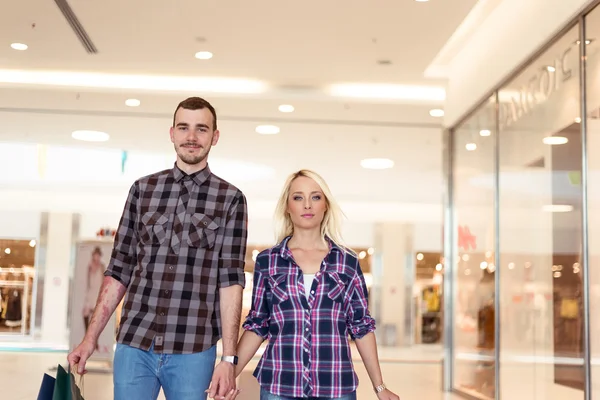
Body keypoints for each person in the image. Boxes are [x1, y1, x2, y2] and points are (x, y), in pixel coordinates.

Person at [67, 97, 248, 400]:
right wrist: (90, 338)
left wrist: (228, 359)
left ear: (215, 137)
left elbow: (230, 282)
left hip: (194, 348)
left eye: (201, 129)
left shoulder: (230, 198)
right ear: (172, 133)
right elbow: (119, 270)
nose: (192, 137)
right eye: (184, 128)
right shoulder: (143, 190)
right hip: (135, 342)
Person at [230, 170, 400, 400]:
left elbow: (361, 327)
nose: (307, 205)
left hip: (336, 386)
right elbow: (258, 325)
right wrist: (230, 375)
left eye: (316, 197)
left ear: (326, 206)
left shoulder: (347, 262)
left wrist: (380, 387)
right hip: (279, 385)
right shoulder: (268, 261)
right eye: (298, 197)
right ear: (287, 207)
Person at [82, 246, 105, 350]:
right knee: (86, 313)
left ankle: (95, 341)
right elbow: (87, 281)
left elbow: (104, 281)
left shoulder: (102, 267)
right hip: (91, 293)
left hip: (98, 293)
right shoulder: (90, 267)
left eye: (98, 255)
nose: (97, 257)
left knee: (96, 318)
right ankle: (87, 339)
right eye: (95, 255)